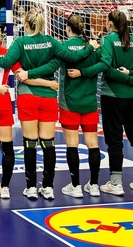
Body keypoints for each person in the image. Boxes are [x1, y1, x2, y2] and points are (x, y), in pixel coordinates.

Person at [0, 10, 68, 200]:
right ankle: (33, 187)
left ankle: (2, 187)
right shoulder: (25, 48)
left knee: (15, 144)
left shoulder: (8, 48)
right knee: (42, 144)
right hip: (22, 100)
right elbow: (25, 71)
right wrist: (49, 83)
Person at [69, 10, 133, 195]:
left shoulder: (107, 40)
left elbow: (106, 67)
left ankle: (116, 183)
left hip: (112, 95)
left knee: (114, 140)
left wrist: (84, 72)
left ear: (111, 23)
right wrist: (132, 76)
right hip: (132, 96)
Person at [55, 16, 102, 198]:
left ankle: (75, 186)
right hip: (89, 101)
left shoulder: (64, 47)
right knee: (93, 144)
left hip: (69, 102)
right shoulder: (95, 48)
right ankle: (95, 185)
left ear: (67, 29)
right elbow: (102, 65)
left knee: (72, 144)